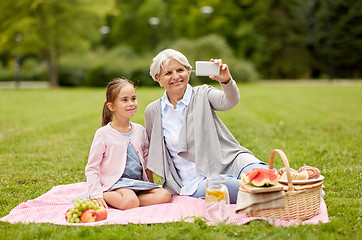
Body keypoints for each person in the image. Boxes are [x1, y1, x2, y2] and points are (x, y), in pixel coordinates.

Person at [144, 49, 268, 204]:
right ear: (158, 79)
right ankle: (281, 193)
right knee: (235, 187)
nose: (175, 76)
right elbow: (149, 151)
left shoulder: (203, 93)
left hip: (228, 160)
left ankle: (296, 183)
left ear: (188, 72)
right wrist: (149, 185)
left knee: (263, 175)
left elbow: (229, 101)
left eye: (180, 70)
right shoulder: (153, 111)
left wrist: (226, 80)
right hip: (193, 180)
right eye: (168, 73)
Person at [84, 78, 171, 210]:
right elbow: (92, 168)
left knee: (165, 195)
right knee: (129, 199)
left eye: (133, 98)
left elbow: (147, 163)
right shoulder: (103, 134)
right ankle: (104, 195)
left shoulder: (140, 130)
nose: (131, 103)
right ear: (111, 106)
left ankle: (131, 201)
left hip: (138, 183)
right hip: (117, 184)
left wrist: (150, 185)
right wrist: (96, 194)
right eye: (124, 100)